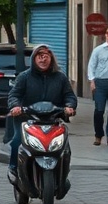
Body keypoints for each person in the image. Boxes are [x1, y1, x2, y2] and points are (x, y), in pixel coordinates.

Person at [6, 43, 77, 179]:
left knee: (65, 145)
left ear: (51, 58)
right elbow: (14, 95)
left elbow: (69, 95)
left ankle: (63, 174)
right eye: (39, 56)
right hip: (27, 119)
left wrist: (69, 106)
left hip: (53, 120)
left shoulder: (60, 77)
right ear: (34, 59)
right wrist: (15, 106)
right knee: (17, 140)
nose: (43, 60)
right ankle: (14, 168)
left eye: (45, 56)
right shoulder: (24, 77)